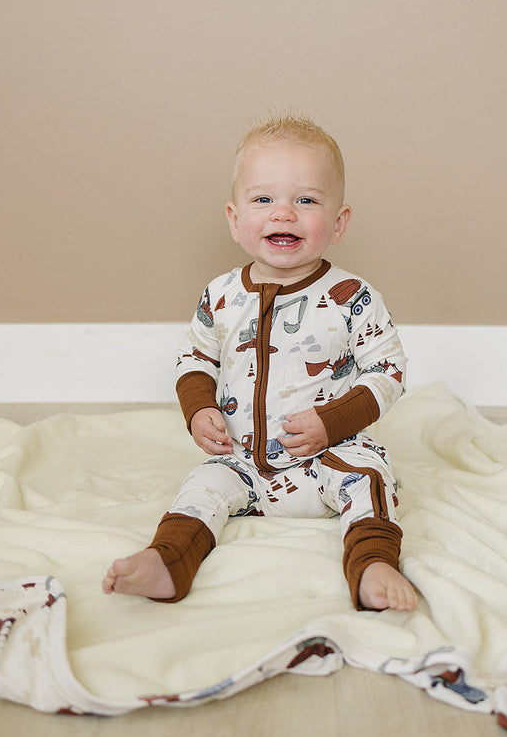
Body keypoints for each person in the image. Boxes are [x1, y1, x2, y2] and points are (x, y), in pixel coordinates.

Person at [103, 113, 418, 612]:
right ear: (234, 219)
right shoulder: (221, 295)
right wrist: (199, 409)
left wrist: (332, 422)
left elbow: (389, 371)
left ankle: (373, 563)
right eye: (263, 199)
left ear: (338, 223)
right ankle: (167, 561)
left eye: (306, 200)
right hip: (243, 461)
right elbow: (195, 359)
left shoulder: (352, 297)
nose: (283, 214)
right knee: (200, 487)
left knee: (372, 480)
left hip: (329, 457)